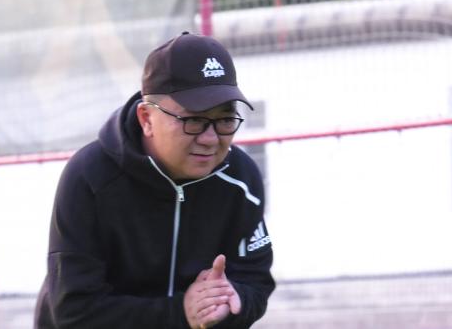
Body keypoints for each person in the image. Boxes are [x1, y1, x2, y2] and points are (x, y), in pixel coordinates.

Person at [34, 31, 275, 329]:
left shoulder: (241, 179)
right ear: (146, 118)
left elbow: (255, 281)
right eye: (194, 120)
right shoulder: (89, 177)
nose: (211, 138)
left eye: (225, 119)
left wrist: (232, 301)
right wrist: (180, 314)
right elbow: (74, 312)